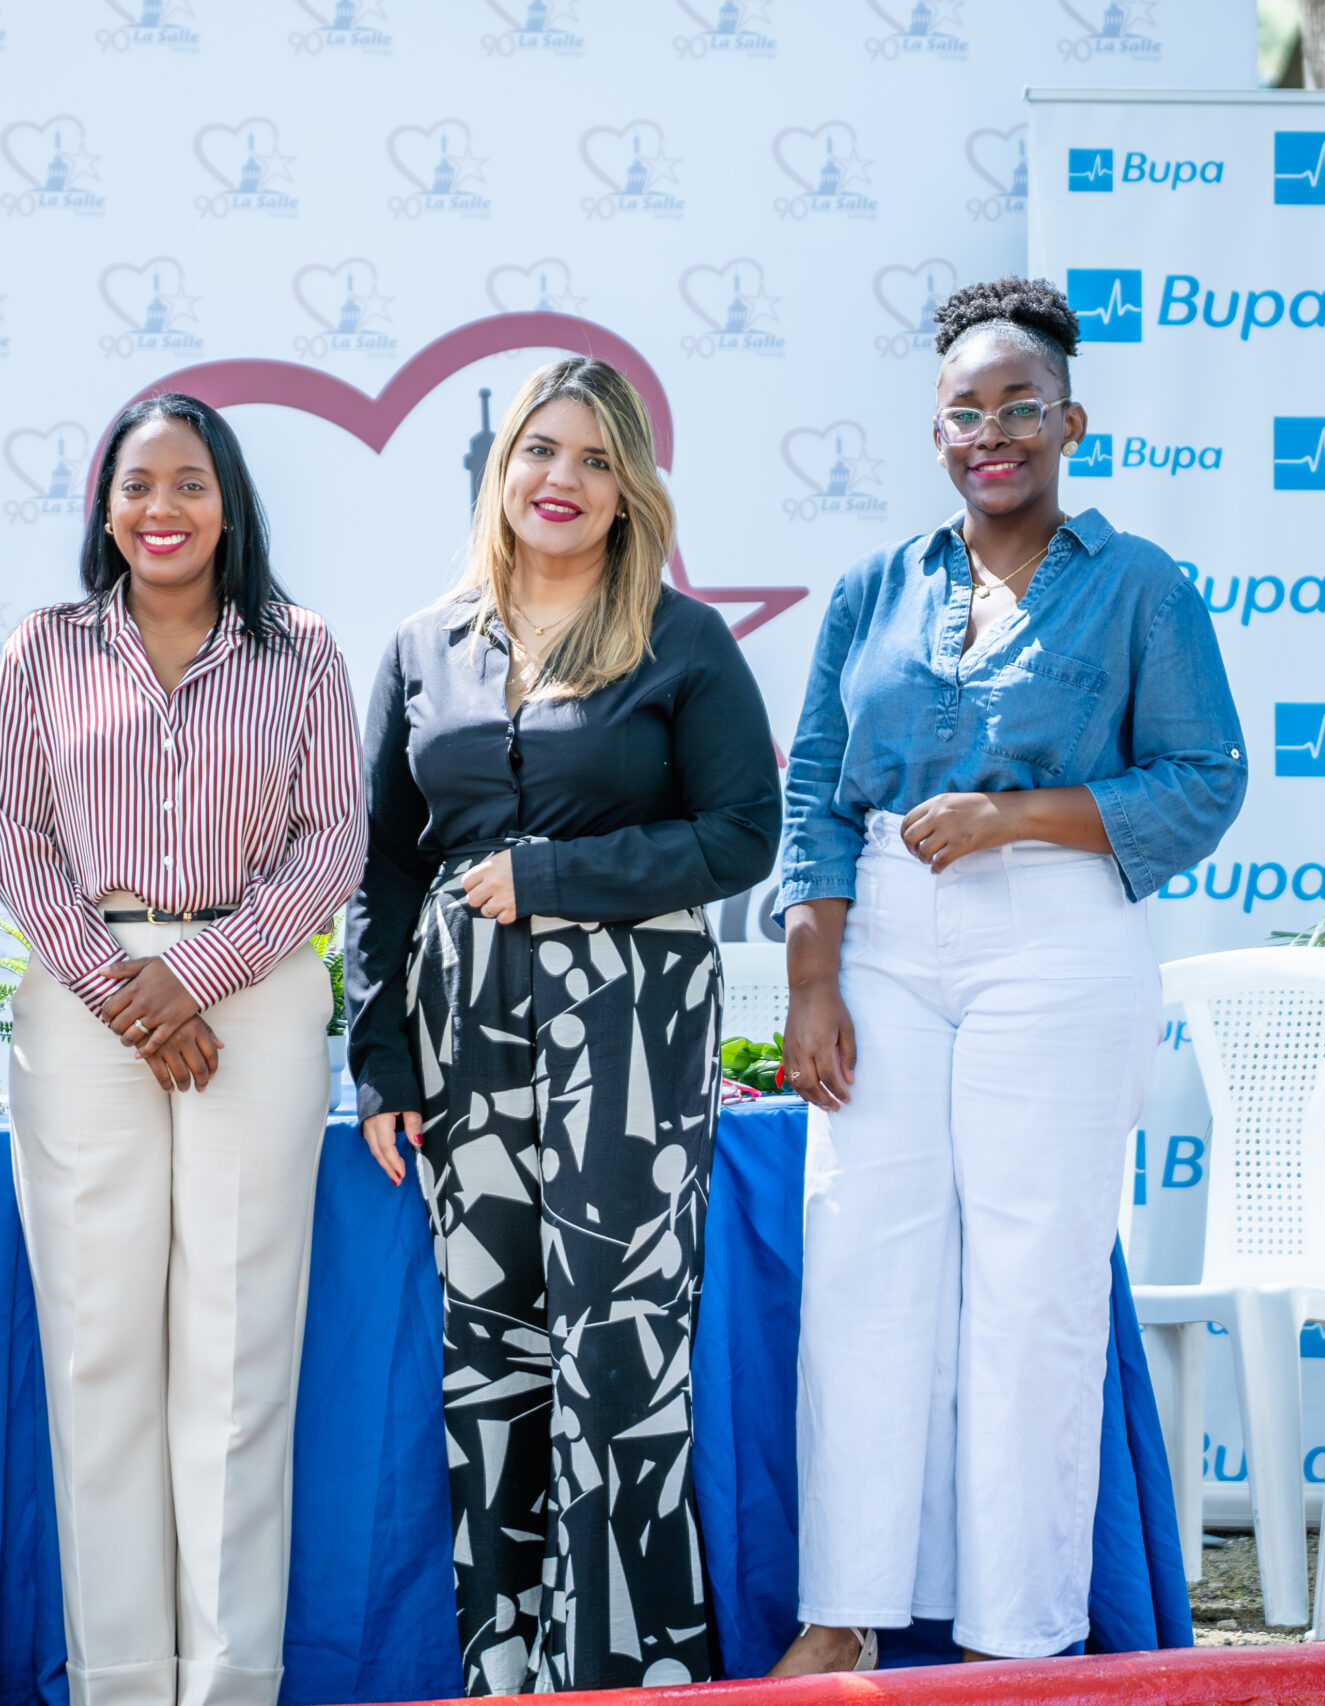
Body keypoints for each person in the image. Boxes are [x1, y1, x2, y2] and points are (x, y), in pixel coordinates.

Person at [768, 279, 1245, 1674]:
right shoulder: (876, 586)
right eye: (965, 411)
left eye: (1018, 406)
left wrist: (1013, 815)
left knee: (1035, 1282)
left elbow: (1204, 776)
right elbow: (813, 785)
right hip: (885, 943)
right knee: (861, 1262)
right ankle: (842, 1612)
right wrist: (814, 970)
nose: (993, 431)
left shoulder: (1141, 582)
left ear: (1069, 419)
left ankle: (1022, 1637)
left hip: (1057, 929)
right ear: (935, 434)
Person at [344, 356, 780, 1694]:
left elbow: (742, 835)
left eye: (595, 459)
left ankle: (635, 1665)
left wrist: (554, 878)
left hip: (633, 1032)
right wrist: (379, 1060)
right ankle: (510, 1665)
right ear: (502, 468)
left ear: (630, 483)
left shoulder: (681, 639)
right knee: (492, 1356)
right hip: (465, 1030)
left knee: (620, 1350)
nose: (563, 481)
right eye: (542, 451)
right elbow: (387, 867)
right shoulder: (425, 645)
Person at [0, 393, 363, 1706]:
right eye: (138, 484)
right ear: (104, 505)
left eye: (190, 484)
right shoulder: (43, 651)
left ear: (229, 502)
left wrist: (192, 977)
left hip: (251, 999)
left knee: (238, 1353)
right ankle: (125, 1681)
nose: (163, 508)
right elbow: (14, 840)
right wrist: (121, 984)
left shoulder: (301, 650)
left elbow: (331, 845)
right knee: (98, 1356)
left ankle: (230, 1684)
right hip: (89, 1015)